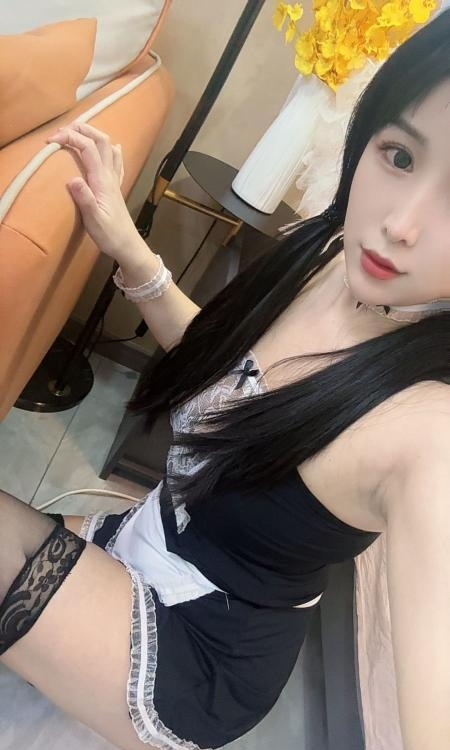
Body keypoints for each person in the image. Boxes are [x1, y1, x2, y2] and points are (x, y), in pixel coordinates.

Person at [1, 9, 449, 750]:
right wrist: (129, 249)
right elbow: (226, 378)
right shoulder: (333, 254)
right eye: (400, 155)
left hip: (200, 652)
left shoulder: (428, 427)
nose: (401, 224)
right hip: (148, 536)